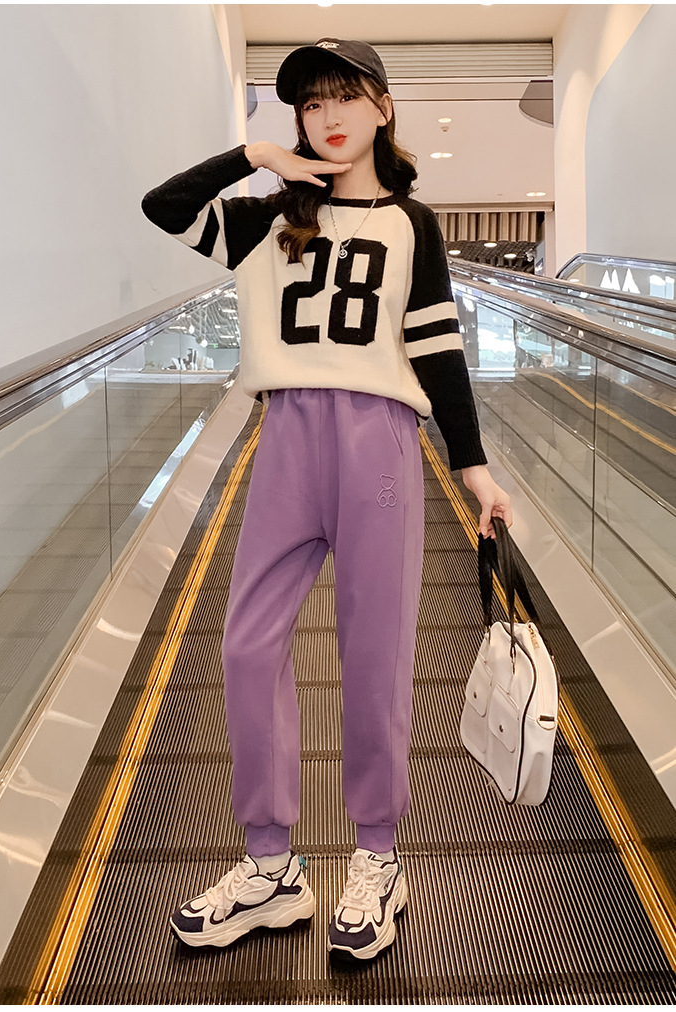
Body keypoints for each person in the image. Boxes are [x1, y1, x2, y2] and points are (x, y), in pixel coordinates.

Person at [141, 38, 512, 961]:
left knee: (375, 652)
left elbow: (436, 349)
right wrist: (254, 155)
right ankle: (272, 867)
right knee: (246, 644)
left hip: (378, 441)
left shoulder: (412, 226)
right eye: (310, 104)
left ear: (383, 106)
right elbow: (164, 206)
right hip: (285, 438)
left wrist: (473, 467)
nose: (328, 117)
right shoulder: (269, 218)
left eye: (346, 96)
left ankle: (378, 854)